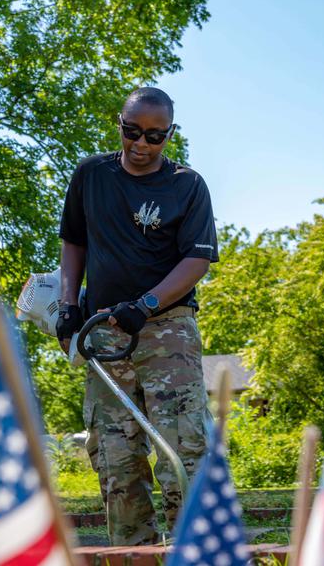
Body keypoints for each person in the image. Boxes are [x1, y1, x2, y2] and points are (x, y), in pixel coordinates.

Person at [56, 87, 219, 545]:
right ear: (119, 125)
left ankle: (195, 548)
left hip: (168, 330)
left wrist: (145, 304)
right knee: (115, 454)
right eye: (133, 133)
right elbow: (74, 242)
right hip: (103, 333)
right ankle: (133, 552)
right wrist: (70, 306)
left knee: (183, 447)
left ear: (169, 134)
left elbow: (197, 261)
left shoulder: (187, 185)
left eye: (155, 136)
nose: (142, 145)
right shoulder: (91, 174)